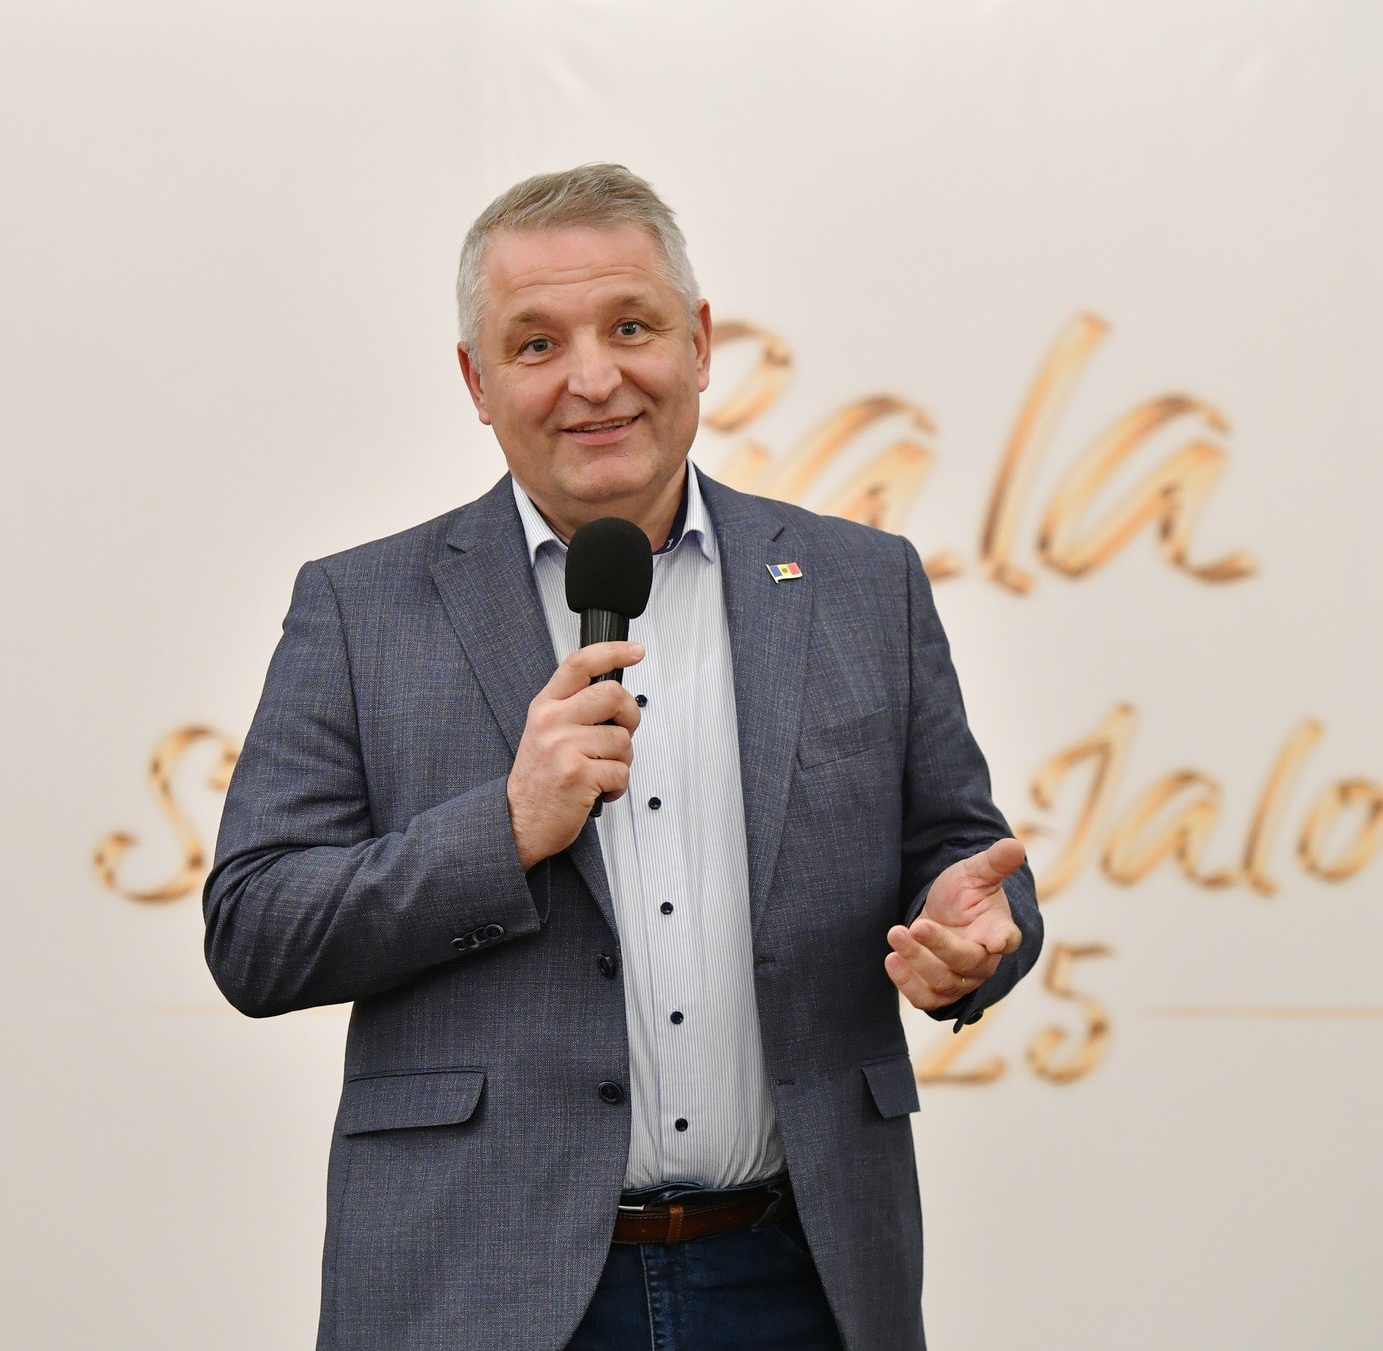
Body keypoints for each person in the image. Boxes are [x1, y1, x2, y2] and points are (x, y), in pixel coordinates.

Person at [203, 163, 1042, 1351]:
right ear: (476, 382)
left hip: (799, 1278)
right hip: (480, 1289)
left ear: (698, 343)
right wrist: (502, 833)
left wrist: (973, 942)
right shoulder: (361, 609)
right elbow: (254, 930)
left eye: (630, 327)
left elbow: (962, 858)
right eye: (536, 344)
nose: (592, 378)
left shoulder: (859, 585)